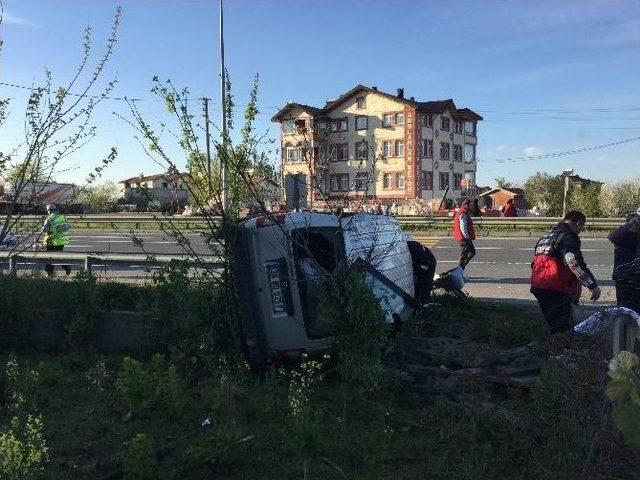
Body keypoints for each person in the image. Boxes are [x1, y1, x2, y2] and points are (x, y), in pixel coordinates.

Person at [530, 210, 601, 349]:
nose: (581, 231)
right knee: (562, 329)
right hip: (555, 288)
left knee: (555, 325)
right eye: (582, 227)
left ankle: (553, 354)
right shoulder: (568, 236)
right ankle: (559, 360)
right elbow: (572, 261)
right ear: (578, 223)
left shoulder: (547, 235)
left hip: (539, 286)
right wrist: (592, 285)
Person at [608, 215, 640, 312]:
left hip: (633, 276)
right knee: (625, 309)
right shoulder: (623, 235)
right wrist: (629, 225)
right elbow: (612, 237)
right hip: (624, 277)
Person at [406, 238, 437, 320]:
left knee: (424, 291)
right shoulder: (403, 248)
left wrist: (416, 275)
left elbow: (426, 265)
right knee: (415, 290)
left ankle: (423, 316)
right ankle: (415, 312)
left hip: (428, 264)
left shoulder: (412, 248)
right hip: (420, 265)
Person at [41, 204, 71, 276]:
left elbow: (44, 230)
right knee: (58, 256)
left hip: (52, 240)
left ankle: (50, 273)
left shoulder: (50, 219)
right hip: (62, 240)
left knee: (50, 257)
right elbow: (67, 226)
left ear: (49, 211)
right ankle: (66, 268)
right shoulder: (63, 217)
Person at [453, 199, 476, 269]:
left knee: (471, 253)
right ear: (466, 205)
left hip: (464, 237)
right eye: (470, 205)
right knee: (465, 255)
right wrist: (467, 236)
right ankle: (460, 269)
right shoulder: (463, 213)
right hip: (464, 238)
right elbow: (463, 226)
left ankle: (461, 268)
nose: (471, 207)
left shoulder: (463, 212)